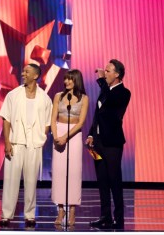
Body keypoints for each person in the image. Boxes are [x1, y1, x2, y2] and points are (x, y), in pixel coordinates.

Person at [0, 63, 53, 228]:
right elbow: (6, 119)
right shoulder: (13, 95)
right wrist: (7, 142)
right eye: (23, 71)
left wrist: (41, 139)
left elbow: (47, 122)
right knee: (10, 180)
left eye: (27, 71)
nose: (23, 73)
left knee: (31, 181)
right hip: (16, 142)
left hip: (34, 144)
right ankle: (6, 215)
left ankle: (30, 215)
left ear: (35, 76)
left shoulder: (45, 98)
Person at [86, 59, 131, 230]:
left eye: (108, 71)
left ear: (117, 74)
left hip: (112, 143)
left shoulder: (123, 93)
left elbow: (111, 107)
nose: (105, 73)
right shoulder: (104, 92)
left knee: (114, 180)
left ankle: (118, 218)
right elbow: (98, 115)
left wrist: (101, 81)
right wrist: (91, 134)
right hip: (98, 142)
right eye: (105, 71)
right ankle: (105, 216)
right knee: (102, 180)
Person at [50, 69, 89, 226]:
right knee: (59, 172)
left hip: (73, 135)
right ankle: (60, 209)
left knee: (73, 173)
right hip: (58, 132)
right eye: (65, 79)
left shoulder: (84, 98)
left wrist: (66, 137)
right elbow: (52, 118)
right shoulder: (58, 96)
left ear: (76, 80)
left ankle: (72, 209)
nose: (66, 82)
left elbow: (81, 122)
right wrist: (55, 136)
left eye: (69, 79)